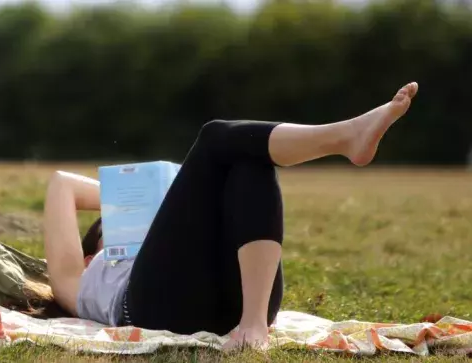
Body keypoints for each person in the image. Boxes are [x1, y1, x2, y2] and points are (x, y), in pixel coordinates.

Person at [42, 82, 419, 350]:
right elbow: (62, 185)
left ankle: (254, 326)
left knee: (249, 162)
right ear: (92, 254)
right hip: (158, 307)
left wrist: (157, 201)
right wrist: (135, 207)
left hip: (239, 300)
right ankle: (344, 135)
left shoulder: (180, 233)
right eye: (110, 226)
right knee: (214, 137)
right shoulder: (76, 280)